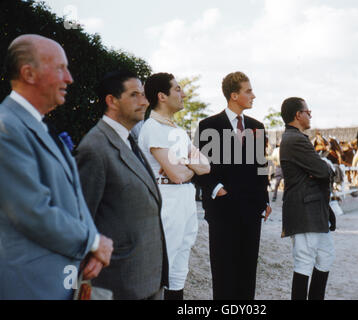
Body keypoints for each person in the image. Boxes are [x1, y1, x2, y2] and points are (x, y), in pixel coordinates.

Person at [0, 34, 113, 299]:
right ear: (29, 73)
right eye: (61, 68)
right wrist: (93, 242)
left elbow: (72, 196)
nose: (69, 78)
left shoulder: (37, 125)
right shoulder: (7, 127)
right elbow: (31, 210)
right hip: (30, 287)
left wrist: (90, 245)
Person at [75, 70, 168, 300]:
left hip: (148, 279)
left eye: (144, 94)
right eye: (135, 95)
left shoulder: (129, 140)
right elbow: (81, 216)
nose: (145, 101)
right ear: (111, 101)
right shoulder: (95, 147)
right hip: (118, 283)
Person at [194, 71, 272, 300]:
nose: (253, 95)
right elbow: (199, 167)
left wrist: (265, 199)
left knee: (248, 272)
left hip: (251, 210)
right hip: (222, 211)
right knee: (223, 273)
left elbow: (261, 167)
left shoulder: (258, 126)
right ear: (234, 95)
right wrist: (218, 189)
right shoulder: (208, 125)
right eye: (248, 91)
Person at [138, 72, 210, 300]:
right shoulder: (152, 128)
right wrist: (189, 165)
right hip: (165, 199)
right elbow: (177, 175)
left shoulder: (177, 130)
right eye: (177, 89)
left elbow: (206, 166)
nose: (183, 93)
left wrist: (182, 163)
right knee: (161, 267)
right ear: (162, 96)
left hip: (184, 200)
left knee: (179, 270)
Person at [279, 97, 336, 300]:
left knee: (326, 256)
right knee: (304, 261)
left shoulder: (298, 138)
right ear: (298, 115)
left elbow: (321, 172)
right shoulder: (295, 140)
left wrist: (324, 169)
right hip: (304, 210)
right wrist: (326, 167)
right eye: (308, 111)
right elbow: (322, 171)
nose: (310, 114)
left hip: (314, 209)